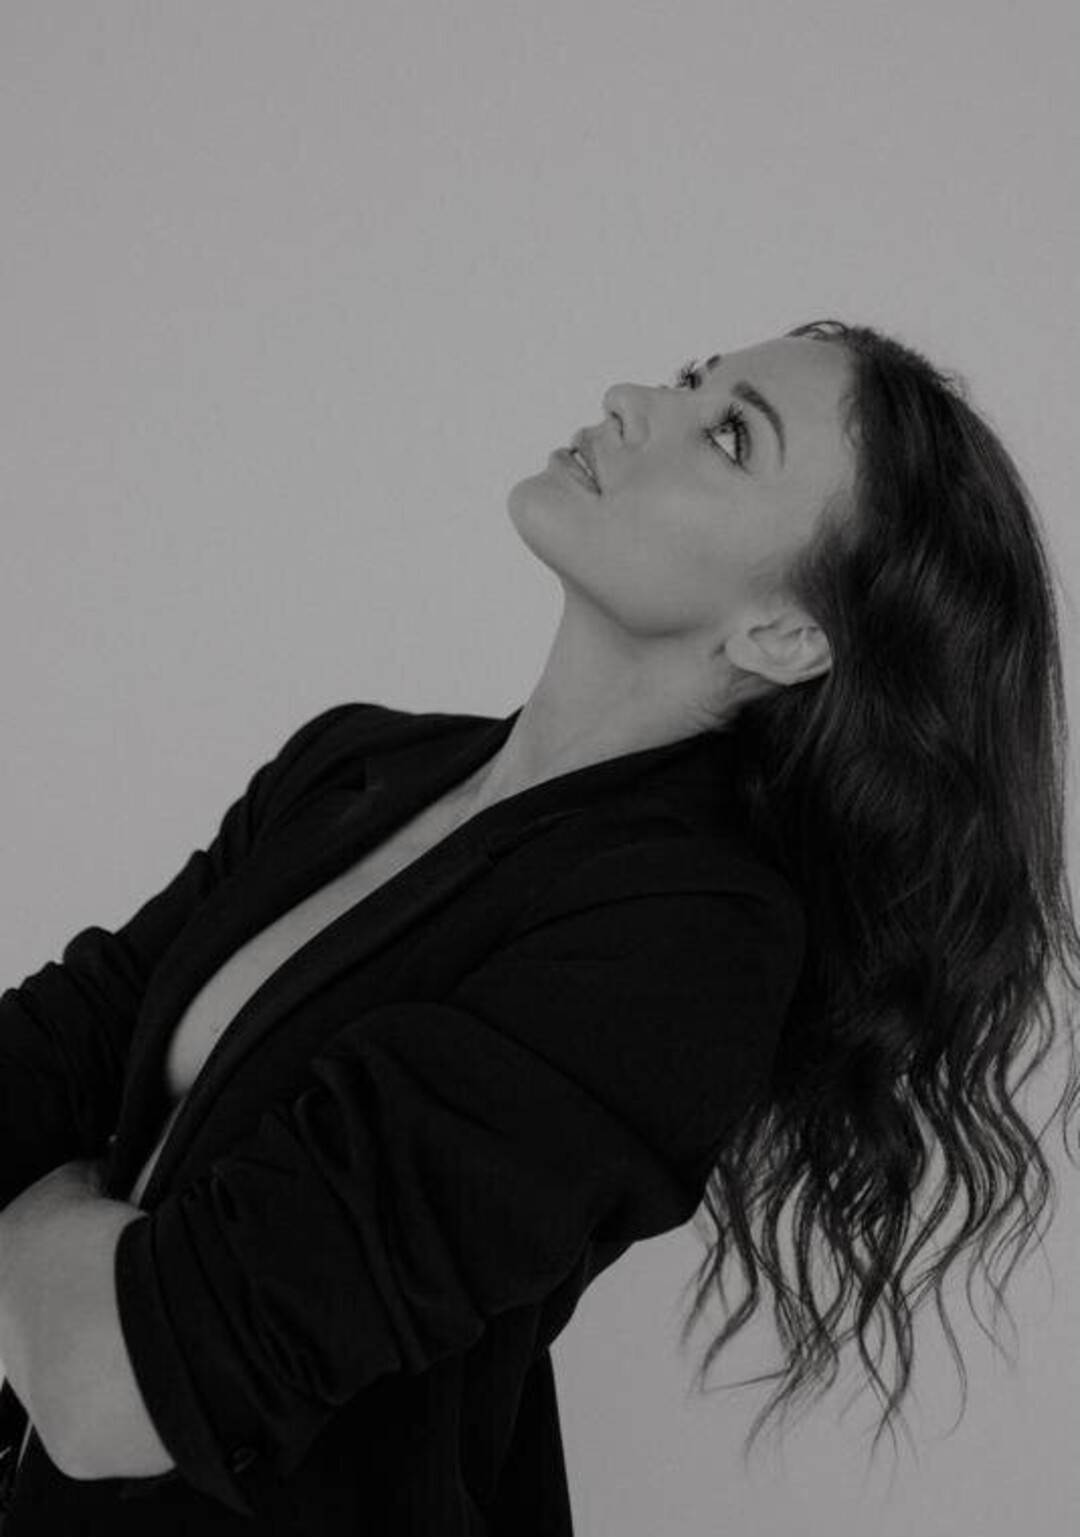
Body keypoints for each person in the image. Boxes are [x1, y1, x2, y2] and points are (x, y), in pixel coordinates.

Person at [0, 319, 1075, 1533]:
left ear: (781, 634)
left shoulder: (693, 944)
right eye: (691, 379)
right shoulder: (352, 763)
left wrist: (41, 1211)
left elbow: (113, 1386)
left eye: (731, 435)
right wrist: (73, 1270)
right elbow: (51, 1046)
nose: (630, 398)